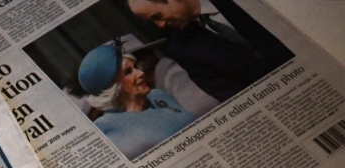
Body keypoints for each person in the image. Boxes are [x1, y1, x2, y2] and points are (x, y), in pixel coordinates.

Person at [128, 0, 294, 104]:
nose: (161, 25)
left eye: (158, 15)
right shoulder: (181, 49)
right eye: (153, 21)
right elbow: (231, 96)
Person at [79, 38, 196, 159]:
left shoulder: (158, 95)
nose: (140, 73)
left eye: (135, 67)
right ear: (112, 87)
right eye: (128, 72)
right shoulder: (106, 128)